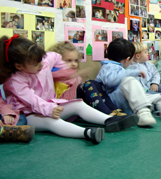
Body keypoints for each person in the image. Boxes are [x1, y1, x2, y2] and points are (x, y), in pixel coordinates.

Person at [1, 35, 138, 145]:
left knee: (78, 104)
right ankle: (86, 133)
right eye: (36, 64)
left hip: (50, 105)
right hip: (28, 114)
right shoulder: (14, 81)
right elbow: (32, 100)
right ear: (19, 66)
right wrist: (49, 109)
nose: (42, 65)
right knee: (51, 122)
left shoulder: (44, 61)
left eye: (41, 60)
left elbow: (55, 57)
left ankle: (110, 120)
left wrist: (66, 70)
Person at [95, 38, 161, 127]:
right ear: (128, 59)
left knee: (159, 97)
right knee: (129, 81)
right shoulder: (108, 67)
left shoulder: (118, 67)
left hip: (128, 100)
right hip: (114, 101)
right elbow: (111, 81)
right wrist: (133, 72)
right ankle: (143, 114)